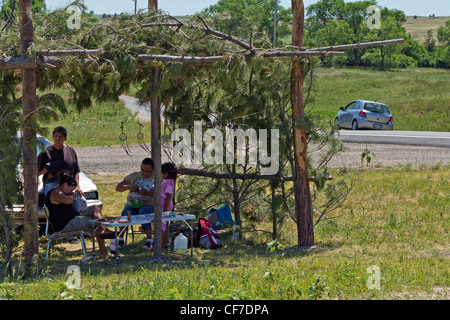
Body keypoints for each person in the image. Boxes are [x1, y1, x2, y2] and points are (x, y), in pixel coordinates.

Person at [45, 171, 115, 258]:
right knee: (95, 223)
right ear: (65, 185)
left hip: (73, 217)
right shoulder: (55, 193)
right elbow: (68, 200)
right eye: (71, 189)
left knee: (95, 208)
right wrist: (72, 195)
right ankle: (103, 252)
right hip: (65, 224)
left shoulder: (62, 192)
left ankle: (104, 229)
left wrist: (71, 193)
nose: (71, 191)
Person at [38, 126, 87, 211]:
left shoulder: (70, 151)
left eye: (60, 136)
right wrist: (47, 168)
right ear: (52, 137)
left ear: (65, 138)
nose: (57, 138)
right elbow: (36, 172)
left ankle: (79, 221)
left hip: (69, 184)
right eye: (55, 136)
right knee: (62, 203)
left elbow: (76, 170)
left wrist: (77, 186)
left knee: (81, 201)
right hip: (52, 184)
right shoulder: (45, 152)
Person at [115, 158, 155, 249]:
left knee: (144, 212)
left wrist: (147, 193)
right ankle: (120, 239)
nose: (145, 174)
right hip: (132, 203)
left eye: (148, 172)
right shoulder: (134, 176)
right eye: (143, 170)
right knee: (126, 212)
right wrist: (130, 187)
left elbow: (160, 194)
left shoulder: (157, 178)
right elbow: (118, 187)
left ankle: (149, 240)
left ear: (153, 170)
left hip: (148, 204)